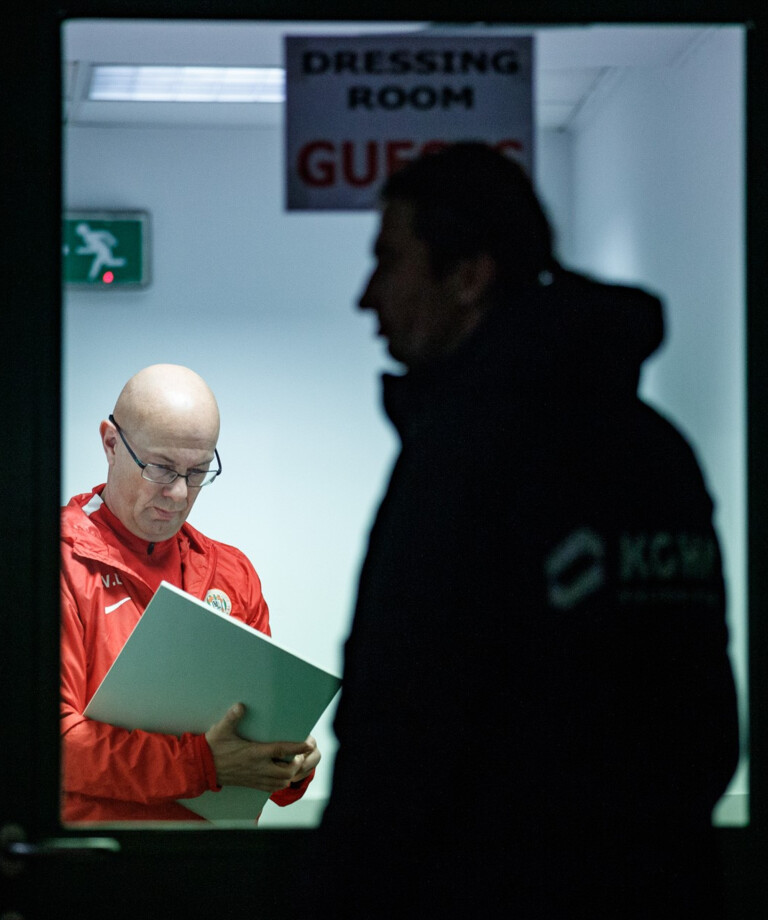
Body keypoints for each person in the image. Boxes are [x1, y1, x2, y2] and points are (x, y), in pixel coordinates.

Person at [315, 143, 739, 916]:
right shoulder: (655, 447)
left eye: (391, 260)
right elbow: (700, 724)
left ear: (470, 276)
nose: (368, 296)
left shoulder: (466, 452)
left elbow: (404, 726)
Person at [60, 363, 320, 823]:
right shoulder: (55, 564)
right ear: (111, 443)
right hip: (99, 866)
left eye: (199, 471)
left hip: (215, 863)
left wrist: (287, 763)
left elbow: (263, 724)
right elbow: (51, 746)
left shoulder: (233, 573)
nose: (179, 494)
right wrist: (202, 764)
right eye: (161, 468)